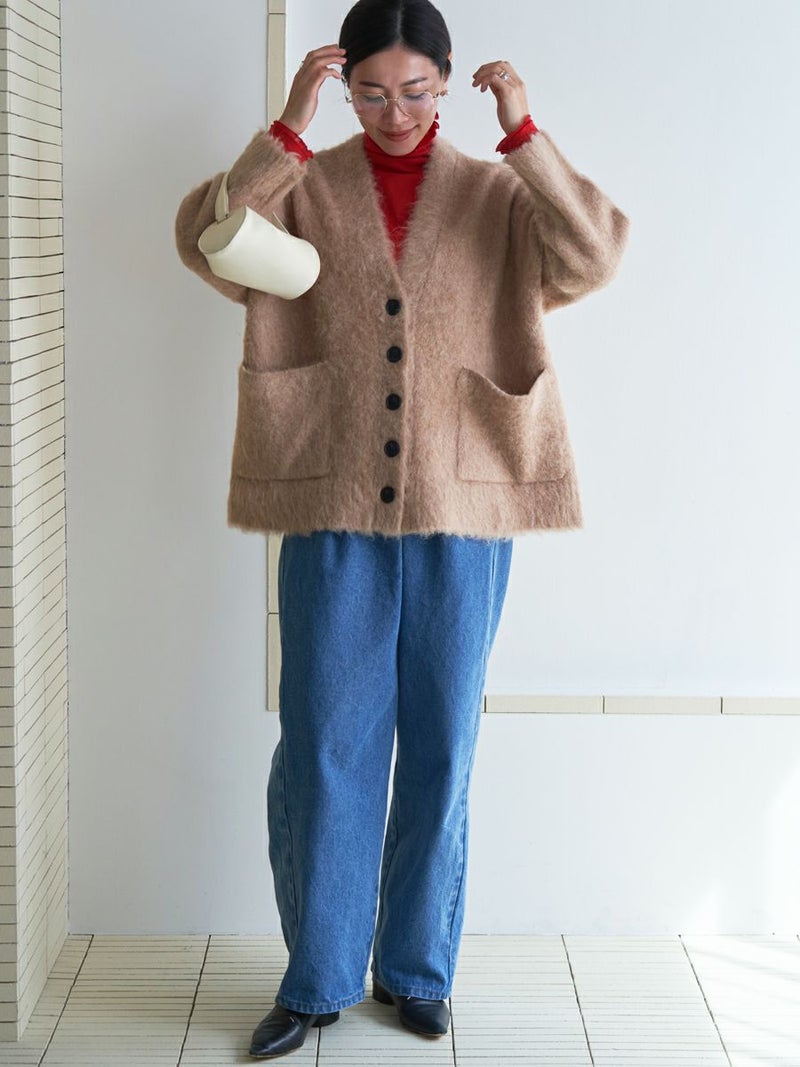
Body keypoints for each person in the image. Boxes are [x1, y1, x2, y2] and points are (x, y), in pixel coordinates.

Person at [174, 0, 630, 1058]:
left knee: (441, 741)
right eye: (369, 93)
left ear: (448, 80)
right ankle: (319, 978)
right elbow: (209, 242)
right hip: (331, 493)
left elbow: (593, 255)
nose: (393, 112)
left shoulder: (496, 193)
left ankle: (417, 970)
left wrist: (524, 134)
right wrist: (286, 130)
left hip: (463, 501)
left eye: (415, 91)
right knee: (326, 745)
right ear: (342, 88)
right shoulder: (304, 184)